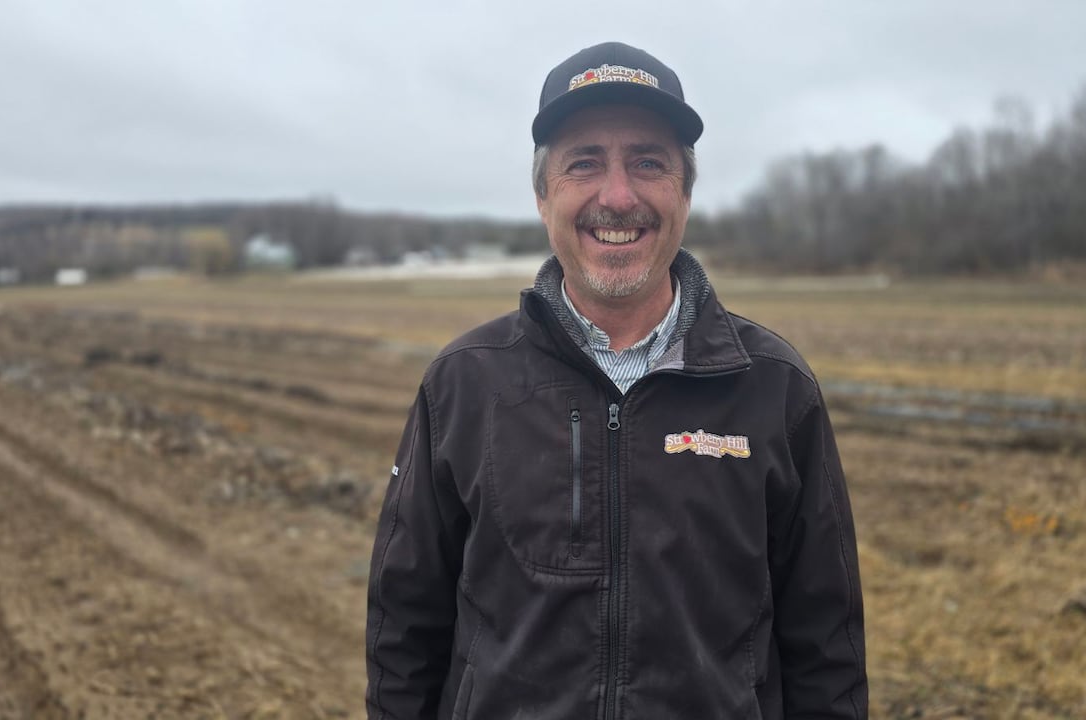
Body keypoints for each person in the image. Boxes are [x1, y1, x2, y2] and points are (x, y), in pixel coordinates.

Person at [366, 41, 867, 719]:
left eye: (649, 162)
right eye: (584, 163)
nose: (619, 195)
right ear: (544, 197)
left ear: (685, 193)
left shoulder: (774, 387)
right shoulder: (464, 383)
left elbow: (825, 644)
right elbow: (405, 627)